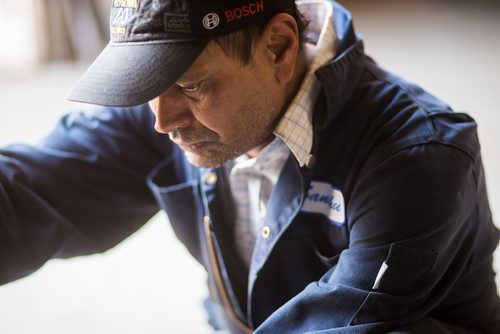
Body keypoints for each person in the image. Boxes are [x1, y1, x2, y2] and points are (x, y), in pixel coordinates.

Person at [0, 0, 499, 332]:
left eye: (190, 87)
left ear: (278, 48)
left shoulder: (418, 158)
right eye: (146, 86)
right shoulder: (170, 112)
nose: (160, 121)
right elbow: (28, 194)